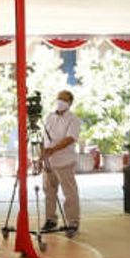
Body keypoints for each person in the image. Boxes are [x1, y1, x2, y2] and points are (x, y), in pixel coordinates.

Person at [41, 90, 82, 234]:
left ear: (70, 103)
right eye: (59, 98)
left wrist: (53, 149)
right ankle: (51, 220)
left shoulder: (74, 119)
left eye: (64, 99)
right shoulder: (49, 117)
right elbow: (44, 137)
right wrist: (42, 153)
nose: (60, 101)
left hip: (65, 161)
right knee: (49, 192)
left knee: (69, 193)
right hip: (48, 162)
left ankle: (72, 222)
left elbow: (70, 138)